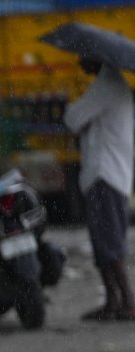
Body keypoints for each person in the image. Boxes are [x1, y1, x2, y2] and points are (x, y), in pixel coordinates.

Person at [64, 54, 135, 321]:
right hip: (103, 174)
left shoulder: (106, 87)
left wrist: (72, 108)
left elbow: (73, 118)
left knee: (109, 243)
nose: (80, 62)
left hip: (107, 174)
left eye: (84, 57)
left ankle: (127, 301)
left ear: (97, 59)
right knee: (103, 241)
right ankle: (113, 300)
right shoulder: (110, 86)